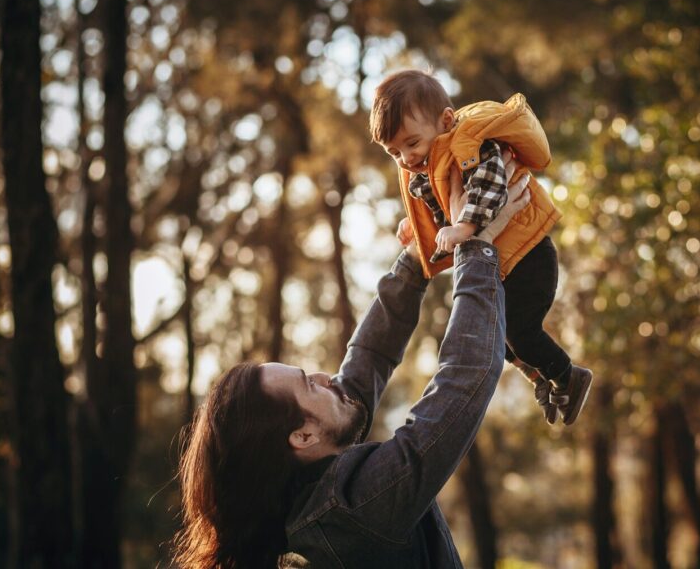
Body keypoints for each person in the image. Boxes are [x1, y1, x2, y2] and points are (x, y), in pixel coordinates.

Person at [174, 169, 531, 568]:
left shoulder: (310, 491)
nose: (327, 378)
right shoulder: (356, 509)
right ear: (303, 435)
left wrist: (416, 257)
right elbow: (465, 377)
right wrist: (477, 247)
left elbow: (369, 359)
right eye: (309, 384)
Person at [369, 69, 592, 426]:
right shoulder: (428, 169)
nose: (406, 158)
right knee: (495, 336)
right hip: (506, 262)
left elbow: (490, 188)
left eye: (411, 143)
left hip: (531, 257)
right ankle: (539, 378)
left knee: (521, 332)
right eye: (393, 152)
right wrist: (417, 225)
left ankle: (568, 376)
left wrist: (464, 227)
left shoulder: (470, 143)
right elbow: (445, 210)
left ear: (444, 121)